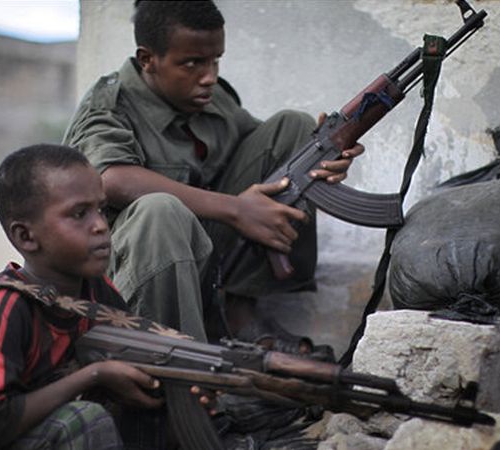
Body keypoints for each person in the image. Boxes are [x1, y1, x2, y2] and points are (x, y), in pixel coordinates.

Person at [63, 0, 363, 350]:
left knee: (296, 129)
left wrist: (325, 155)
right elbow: (111, 179)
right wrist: (236, 209)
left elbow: (271, 148)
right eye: (192, 63)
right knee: (159, 209)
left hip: (204, 258)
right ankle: (168, 350)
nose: (209, 76)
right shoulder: (109, 105)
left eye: (215, 60)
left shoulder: (212, 97)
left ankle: (238, 312)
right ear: (148, 60)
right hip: (130, 275)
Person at [0, 145, 201, 450]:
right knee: (83, 420)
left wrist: (186, 385)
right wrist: (95, 375)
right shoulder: (4, 307)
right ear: (26, 236)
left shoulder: (96, 292)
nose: (100, 225)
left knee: (157, 408)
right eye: (79, 213)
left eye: (100, 209)